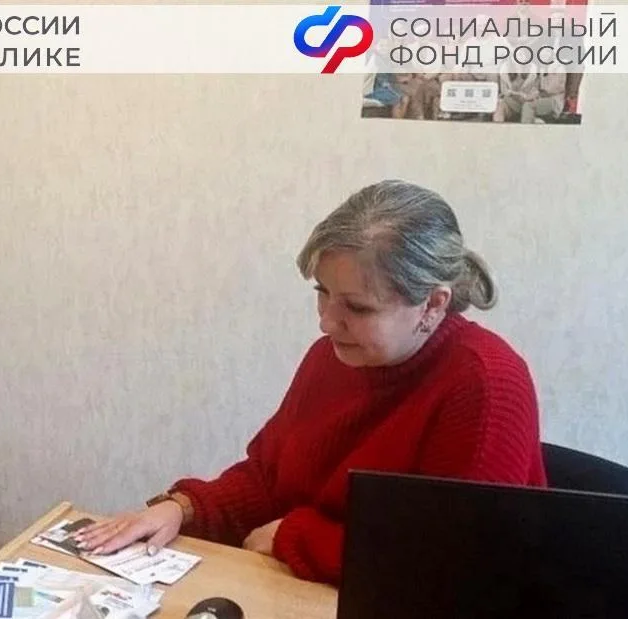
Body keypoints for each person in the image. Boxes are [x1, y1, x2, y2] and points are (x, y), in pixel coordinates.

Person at [75, 180, 547, 586]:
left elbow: (453, 566)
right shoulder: (334, 355)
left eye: (357, 307)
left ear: (433, 304)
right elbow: (270, 478)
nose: (327, 322)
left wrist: (294, 537)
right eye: (323, 293)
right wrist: (183, 508)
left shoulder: (488, 384)